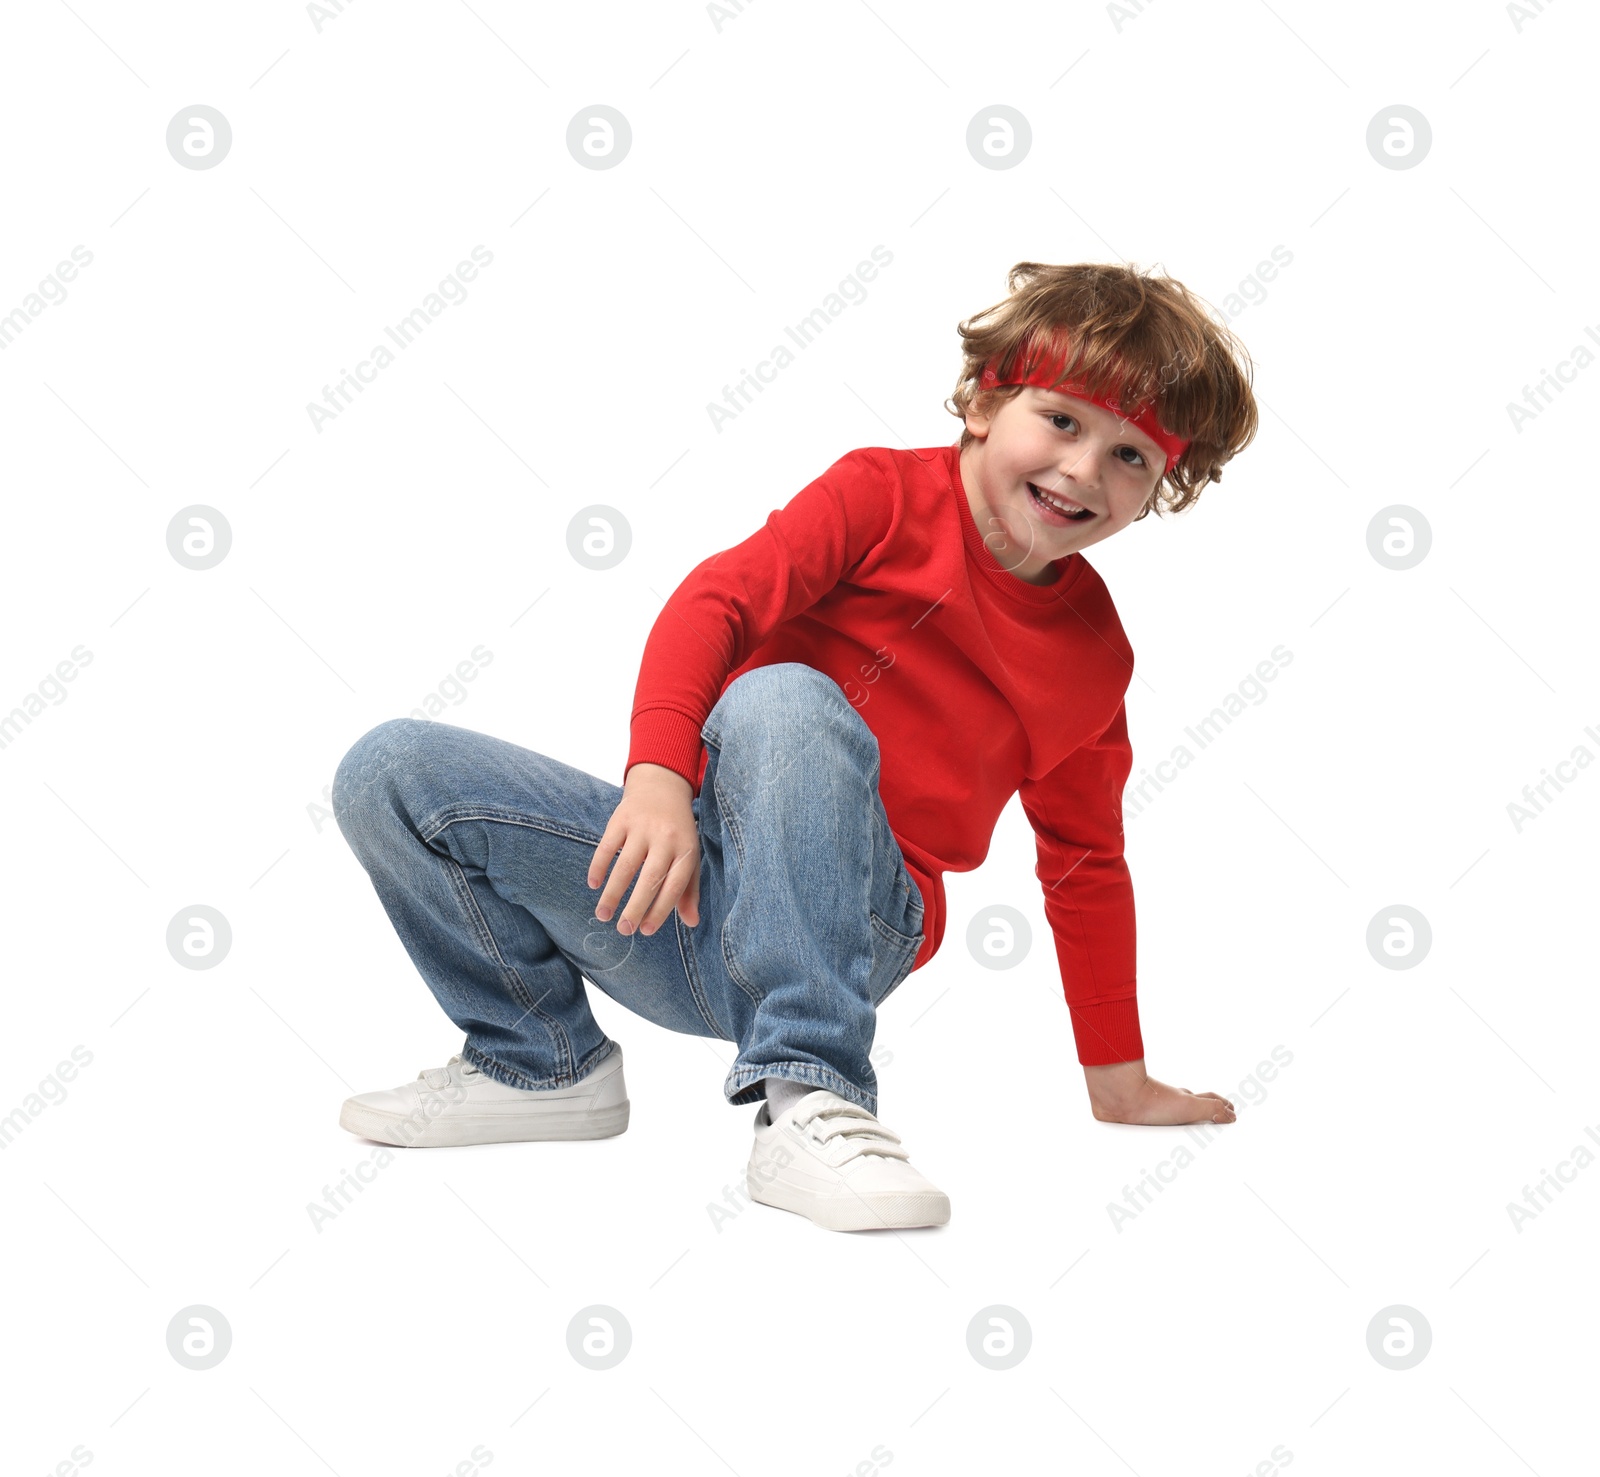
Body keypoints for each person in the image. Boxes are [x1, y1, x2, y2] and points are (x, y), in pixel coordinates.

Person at [332, 260, 1261, 1233]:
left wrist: (1120, 1081)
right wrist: (657, 779)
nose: (1082, 470)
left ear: (1160, 487)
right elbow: (716, 603)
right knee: (389, 768)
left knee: (784, 698)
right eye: (1064, 421)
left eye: (1130, 458)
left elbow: (1085, 864)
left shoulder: (1090, 658)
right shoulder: (882, 495)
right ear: (987, 402)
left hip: (861, 919)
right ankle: (539, 1060)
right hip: (683, 883)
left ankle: (813, 1093)